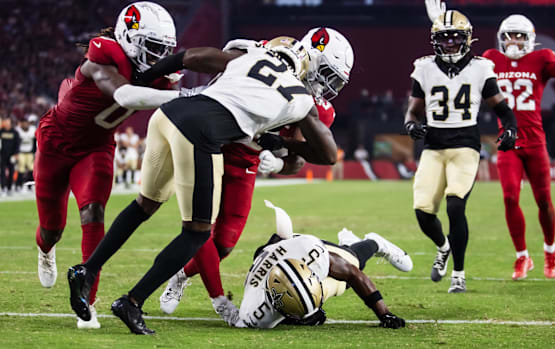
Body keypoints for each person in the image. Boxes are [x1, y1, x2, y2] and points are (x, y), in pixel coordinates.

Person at [68, 36, 339, 335]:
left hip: (166, 116)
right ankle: (132, 301)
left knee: (145, 204)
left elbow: (191, 56)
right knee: (197, 233)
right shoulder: (300, 97)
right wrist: (283, 142)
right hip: (201, 132)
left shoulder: (246, 58)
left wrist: (145, 77)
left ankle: (87, 269)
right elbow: (328, 155)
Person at [158, 28, 353, 320]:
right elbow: (218, 62)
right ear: (313, 58)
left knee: (224, 243)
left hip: (246, 160)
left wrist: (278, 164)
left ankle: (180, 276)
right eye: (327, 73)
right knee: (201, 228)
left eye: (335, 80)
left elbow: (299, 159)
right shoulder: (267, 53)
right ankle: (218, 300)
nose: (329, 86)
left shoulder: (314, 108)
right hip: (215, 143)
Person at [425, 1, 555, 280]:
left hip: (535, 142)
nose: (514, 40)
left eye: (520, 35)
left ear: (530, 39)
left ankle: (550, 251)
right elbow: (459, 59)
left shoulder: (541, 58)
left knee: (544, 200)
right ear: (501, 38)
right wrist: (442, 24)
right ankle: (522, 257)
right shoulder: (491, 59)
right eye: (510, 35)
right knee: (510, 198)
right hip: (509, 142)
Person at [33, 1, 183, 329]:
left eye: (163, 51)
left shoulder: (160, 77)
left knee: (93, 212)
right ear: (129, 38)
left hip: (96, 148)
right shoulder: (104, 53)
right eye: (152, 48)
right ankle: (46, 249)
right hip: (56, 142)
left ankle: (87, 298)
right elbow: (125, 95)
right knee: (51, 228)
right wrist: (185, 95)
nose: (158, 58)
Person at [404, 10, 517, 293]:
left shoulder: (481, 67)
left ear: (467, 39)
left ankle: (458, 273)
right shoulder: (424, 68)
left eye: (455, 37)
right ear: (435, 40)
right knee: (422, 211)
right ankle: (443, 247)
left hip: (466, 145)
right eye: (444, 38)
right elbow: (413, 111)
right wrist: (411, 126)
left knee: (455, 204)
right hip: (433, 146)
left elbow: (502, 108)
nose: (451, 43)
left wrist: (510, 129)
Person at [160, 201, 413, 327]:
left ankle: (373, 243)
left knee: (351, 261)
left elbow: (353, 274)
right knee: (328, 293)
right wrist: (302, 317)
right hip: (273, 257)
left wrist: (385, 314)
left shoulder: (309, 252)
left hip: (294, 247)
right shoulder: (253, 312)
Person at [0, 117, 20, 196]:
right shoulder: (1, 131)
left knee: (11, 172)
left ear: (11, 123)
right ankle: (3, 188)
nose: (7, 124)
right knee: (2, 172)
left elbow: (17, 144)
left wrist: (16, 154)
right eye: (5, 122)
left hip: (12, 155)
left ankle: (9, 188)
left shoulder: (15, 132)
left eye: (8, 122)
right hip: (3, 155)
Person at [15, 118, 36, 192]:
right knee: (21, 169)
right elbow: (16, 142)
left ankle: (29, 186)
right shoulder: (18, 131)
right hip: (21, 152)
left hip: (29, 152)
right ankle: (19, 185)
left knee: (31, 169)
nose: (25, 125)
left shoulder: (32, 130)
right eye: (23, 123)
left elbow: (35, 141)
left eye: (26, 123)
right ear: (21, 124)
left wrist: (35, 152)